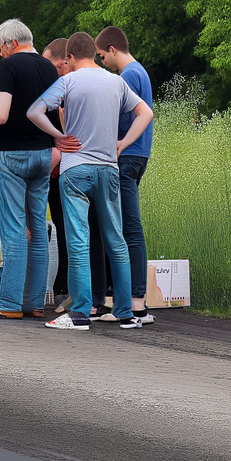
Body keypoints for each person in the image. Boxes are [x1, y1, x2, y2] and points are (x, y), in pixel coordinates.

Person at [26, 31, 152, 330]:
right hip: (109, 169)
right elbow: (144, 113)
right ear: (93, 54)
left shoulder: (67, 82)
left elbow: (34, 111)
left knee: (80, 241)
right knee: (116, 240)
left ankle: (81, 312)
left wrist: (58, 137)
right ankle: (125, 312)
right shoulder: (117, 81)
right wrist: (123, 142)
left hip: (76, 170)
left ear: (69, 58)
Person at [0, 19, 59, 319]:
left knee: (13, 229)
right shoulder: (49, 68)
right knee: (37, 227)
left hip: (13, 154)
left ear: (10, 43)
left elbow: (2, 114)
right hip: (44, 152)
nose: (0, 54)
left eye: (1, 48)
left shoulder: (9, 67)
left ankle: (8, 303)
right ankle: (33, 303)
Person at [96, 25, 156, 325]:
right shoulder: (140, 72)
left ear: (112, 50)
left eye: (101, 56)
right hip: (138, 156)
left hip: (127, 158)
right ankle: (132, 300)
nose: (101, 62)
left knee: (128, 228)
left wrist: (119, 144)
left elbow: (120, 116)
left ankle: (136, 303)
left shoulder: (128, 76)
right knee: (126, 227)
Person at [40, 38, 75, 305]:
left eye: (49, 64)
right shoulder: (54, 89)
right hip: (54, 171)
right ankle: (61, 283)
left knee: (71, 227)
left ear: (63, 63)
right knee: (60, 228)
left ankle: (72, 284)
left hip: (67, 169)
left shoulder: (70, 89)